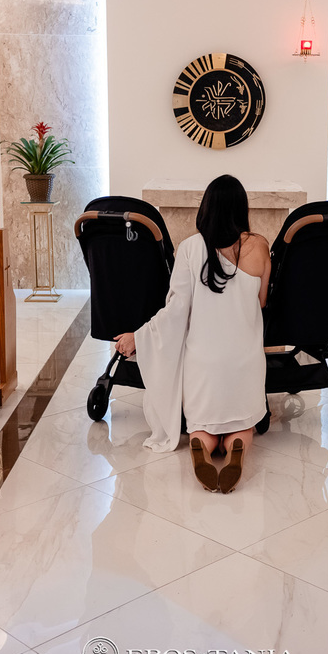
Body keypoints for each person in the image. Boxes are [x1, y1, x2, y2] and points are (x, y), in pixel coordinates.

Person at [113, 175, 270, 493]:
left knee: (203, 426)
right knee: (243, 425)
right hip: (246, 362)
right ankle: (236, 450)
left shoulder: (190, 248)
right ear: (242, 209)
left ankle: (202, 446)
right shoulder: (259, 245)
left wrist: (139, 337)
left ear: (206, 208)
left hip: (203, 366)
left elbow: (174, 313)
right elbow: (262, 301)